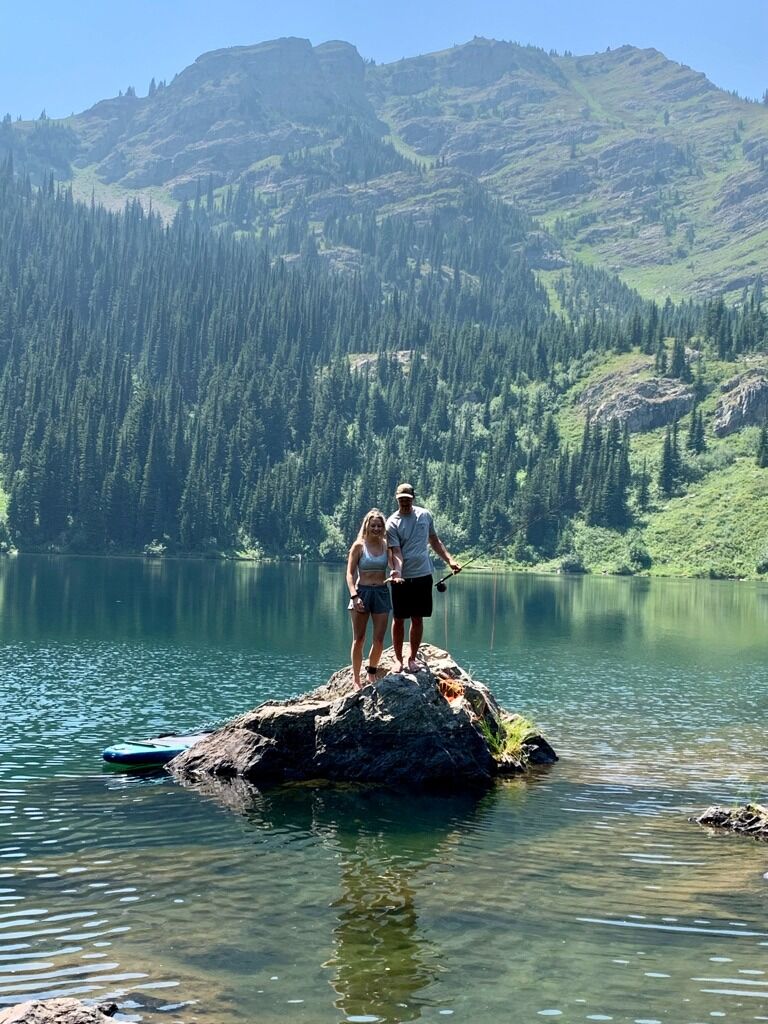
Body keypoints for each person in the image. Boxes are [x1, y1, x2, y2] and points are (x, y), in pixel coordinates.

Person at [386, 483, 460, 674]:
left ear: (413, 498)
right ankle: (398, 660)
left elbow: (434, 541)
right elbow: (395, 552)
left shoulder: (425, 515)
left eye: (407, 499)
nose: (404, 502)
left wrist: (450, 561)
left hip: (423, 575)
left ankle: (412, 659)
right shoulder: (392, 522)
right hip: (401, 578)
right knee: (399, 618)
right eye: (400, 499)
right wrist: (398, 574)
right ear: (396, 499)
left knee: (417, 618)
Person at [346, 509, 395, 689]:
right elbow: (350, 574)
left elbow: (393, 564)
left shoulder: (386, 545)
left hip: (381, 592)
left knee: (379, 640)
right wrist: (354, 595)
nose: (376, 528)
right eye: (373, 525)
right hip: (362, 593)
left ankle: (371, 672)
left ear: (383, 527)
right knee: (359, 639)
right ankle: (356, 679)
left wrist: (397, 573)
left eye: (379, 525)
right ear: (367, 525)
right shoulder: (359, 546)